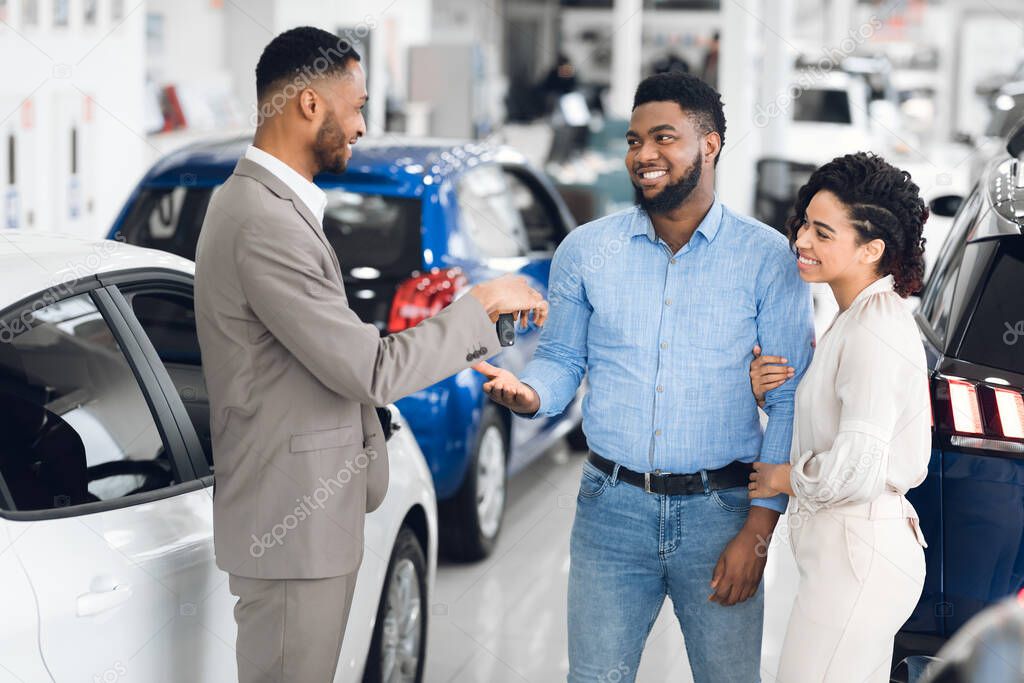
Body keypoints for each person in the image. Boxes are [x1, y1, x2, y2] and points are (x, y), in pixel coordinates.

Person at [194, 26, 547, 683]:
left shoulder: (275, 207)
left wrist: (483, 327)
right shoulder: (262, 220)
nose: (361, 126)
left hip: (305, 525)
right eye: (355, 106)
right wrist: (481, 305)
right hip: (290, 533)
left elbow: (325, 353)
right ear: (308, 105)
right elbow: (368, 367)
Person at [475, 72, 814, 683]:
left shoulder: (768, 259)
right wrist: (531, 395)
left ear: (710, 145)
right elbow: (563, 360)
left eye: (663, 138)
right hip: (611, 509)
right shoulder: (585, 251)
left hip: (723, 512)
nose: (643, 156)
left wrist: (759, 531)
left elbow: (788, 404)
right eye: (634, 141)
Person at [747, 152, 931, 682]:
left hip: (861, 558)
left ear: (872, 249)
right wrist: (772, 395)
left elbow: (859, 467)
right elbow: (844, 424)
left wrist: (786, 477)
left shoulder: (874, 328)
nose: (801, 240)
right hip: (851, 555)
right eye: (805, 222)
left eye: (823, 233)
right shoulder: (857, 315)